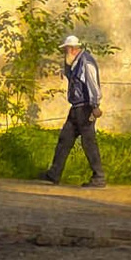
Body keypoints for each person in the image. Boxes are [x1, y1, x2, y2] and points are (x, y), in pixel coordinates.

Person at [48, 31, 103, 184]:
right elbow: (70, 77)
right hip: (76, 108)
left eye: (65, 50)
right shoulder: (75, 63)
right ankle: (54, 173)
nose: (64, 53)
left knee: (88, 142)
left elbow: (92, 84)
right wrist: (66, 65)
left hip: (85, 107)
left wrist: (95, 105)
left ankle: (98, 176)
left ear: (72, 49)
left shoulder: (86, 62)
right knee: (65, 139)